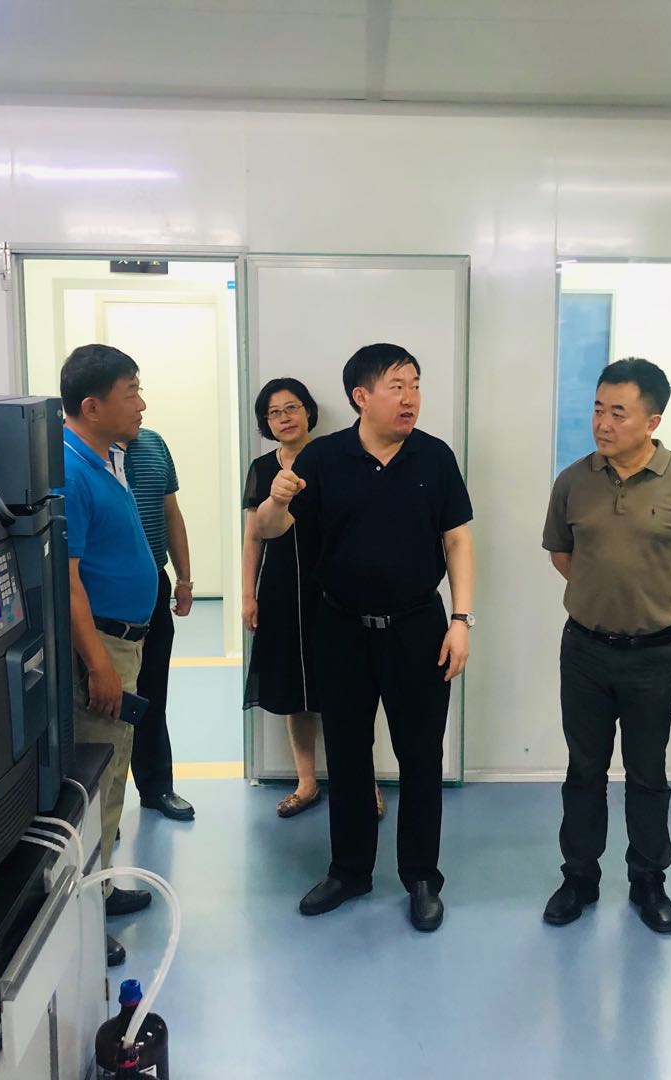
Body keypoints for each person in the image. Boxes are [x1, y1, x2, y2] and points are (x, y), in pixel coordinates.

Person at [255, 343, 474, 932]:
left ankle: (421, 877)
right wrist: (275, 500)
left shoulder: (434, 456)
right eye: (397, 386)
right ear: (361, 397)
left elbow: (457, 540)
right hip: (341, 627)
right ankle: (349, 871)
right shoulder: (324, 458)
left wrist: (461, 620)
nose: (411, 398)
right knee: (348, 752)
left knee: (420, 754)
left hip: (418, 627)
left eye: (415, 384)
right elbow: (270, 528)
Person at [540, 358, 671, 936]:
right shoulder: (574, 481)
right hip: (585, 651)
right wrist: (601, 597)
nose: (603, 423)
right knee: (584, 771)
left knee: (647, 773)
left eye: (618, 413)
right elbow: (562, 554)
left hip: (653, 655)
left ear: (652, 420)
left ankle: (648, 881)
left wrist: (657, 602)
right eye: (598, 409)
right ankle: (579, 877)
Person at [55, 343, 158, 968]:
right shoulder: (71, 470)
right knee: (96, 784)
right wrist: (97, 664)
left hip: (124, 639)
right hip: (103, 645)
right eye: (131, 393)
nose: (141, 404)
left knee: (114, 773)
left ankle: (103, 887)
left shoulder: (105, 457)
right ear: (92, 407)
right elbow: (67, 581)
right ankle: (84, 917)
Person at [242, 377, 384, 820]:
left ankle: (363, 784)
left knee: (348, 688)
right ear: (266, 423)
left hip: (335, 588)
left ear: (308, 412)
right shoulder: (262, 468)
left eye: (291, 408)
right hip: (281, 588)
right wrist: (248, 594)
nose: (284, 418)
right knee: (293, 685)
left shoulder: (334, 458)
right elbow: (254, 537)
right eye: (274, 413)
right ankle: (306, 782)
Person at [123, 425, 196, 822]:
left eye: (140, 395)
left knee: (152, 690)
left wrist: (184, 579)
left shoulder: (153, 444)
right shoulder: (77, 455)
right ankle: (101, 805)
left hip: (154, 582)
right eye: (130, 396)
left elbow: (171, 512)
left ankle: (156, 788)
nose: (140, 405)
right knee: (100, 700)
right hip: (101, 595)